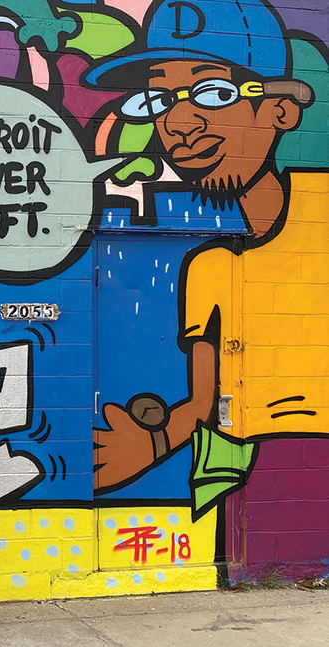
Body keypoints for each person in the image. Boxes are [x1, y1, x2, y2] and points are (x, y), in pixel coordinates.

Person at [85, 0, 314, 492]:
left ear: (281, 109)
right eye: (160, 101)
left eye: (212, 92)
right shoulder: (210, 264)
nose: (179, 124)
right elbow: (201, 403)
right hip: (252, 479)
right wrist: (151, 445)